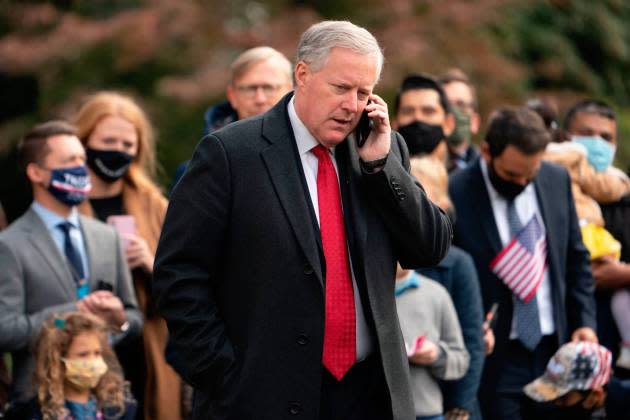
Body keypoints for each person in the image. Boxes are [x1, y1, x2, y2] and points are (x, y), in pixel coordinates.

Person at [153, 20, 452, 420]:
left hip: (368, 396)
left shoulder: (380, 147)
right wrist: (225, 375)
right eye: (341, 88)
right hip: (260, 396)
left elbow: (429, 248)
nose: (353, 105)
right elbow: (179, 275)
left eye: (365, 93)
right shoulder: (230, 153)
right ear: (303, 75)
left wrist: (383, 169)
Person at [449, 107, 597, 420]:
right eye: (512, 175)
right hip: (495, 357)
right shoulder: (456, 191)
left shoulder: (555, 179)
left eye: (530, 173)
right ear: (487, 151)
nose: (523, 182)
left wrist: (584, 321)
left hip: (555, 350)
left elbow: (575, 259)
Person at [0, 120, 142, 405]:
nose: (81, 167)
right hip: (40, 400)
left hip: (105, 400)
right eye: (69, 160)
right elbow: (6, 331)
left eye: (82, 158)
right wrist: (73, 313)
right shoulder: (10, 244)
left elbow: (134, 319)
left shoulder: (107, 237)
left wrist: (120, 320)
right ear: (36, 173)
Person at [73, 91, 181, 420]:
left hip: (147, 351)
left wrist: (150, 262)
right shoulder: (65, 204)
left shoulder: (155, 207)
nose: (116, 152)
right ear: (84, 140)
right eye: (108, 141)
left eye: (126, 145)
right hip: (83, 350)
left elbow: (186, 287)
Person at [410, 157, 487, 420]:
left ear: (442, 206)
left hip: (446, 399)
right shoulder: (377, 258)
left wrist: (461, 403)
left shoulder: (458, 264)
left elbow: (472, 341)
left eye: (419, 193)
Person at [562, 99, 630, 369]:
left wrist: (623, 275)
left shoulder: (625, 196)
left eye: (606, 137)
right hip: (568, 338)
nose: (597, 143)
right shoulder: (550, 192)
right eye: (587, 134)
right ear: (566, 138)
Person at [172, 46, 293, 186]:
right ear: (232, 96)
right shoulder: (197, 171)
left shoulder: (313, 157)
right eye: (250, 88)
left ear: (290, 91)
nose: (260, 99)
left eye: (269, 88)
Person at [5, 312, 137, 419]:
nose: (93, 362)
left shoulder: (118, 409)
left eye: (97, 353)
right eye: (83, 354)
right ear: (57, 360)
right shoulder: (35, 413)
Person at [395, 264, 469, 420]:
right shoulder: (362, 293)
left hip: (425, 412)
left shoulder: (436, 294)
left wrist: (436, 355)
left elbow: (461, 360)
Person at [393, 74, 455, 162]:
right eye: (408, 112)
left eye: (428, 111)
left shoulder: (472, 173)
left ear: (448, 123)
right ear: (394, 124)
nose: (417, 118)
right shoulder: (380, 172)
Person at [438, 68, 481, 172]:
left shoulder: (486, 170)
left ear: (475, 121)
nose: (453, 111)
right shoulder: (413, 167)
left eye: (460, 104)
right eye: (446, 105)